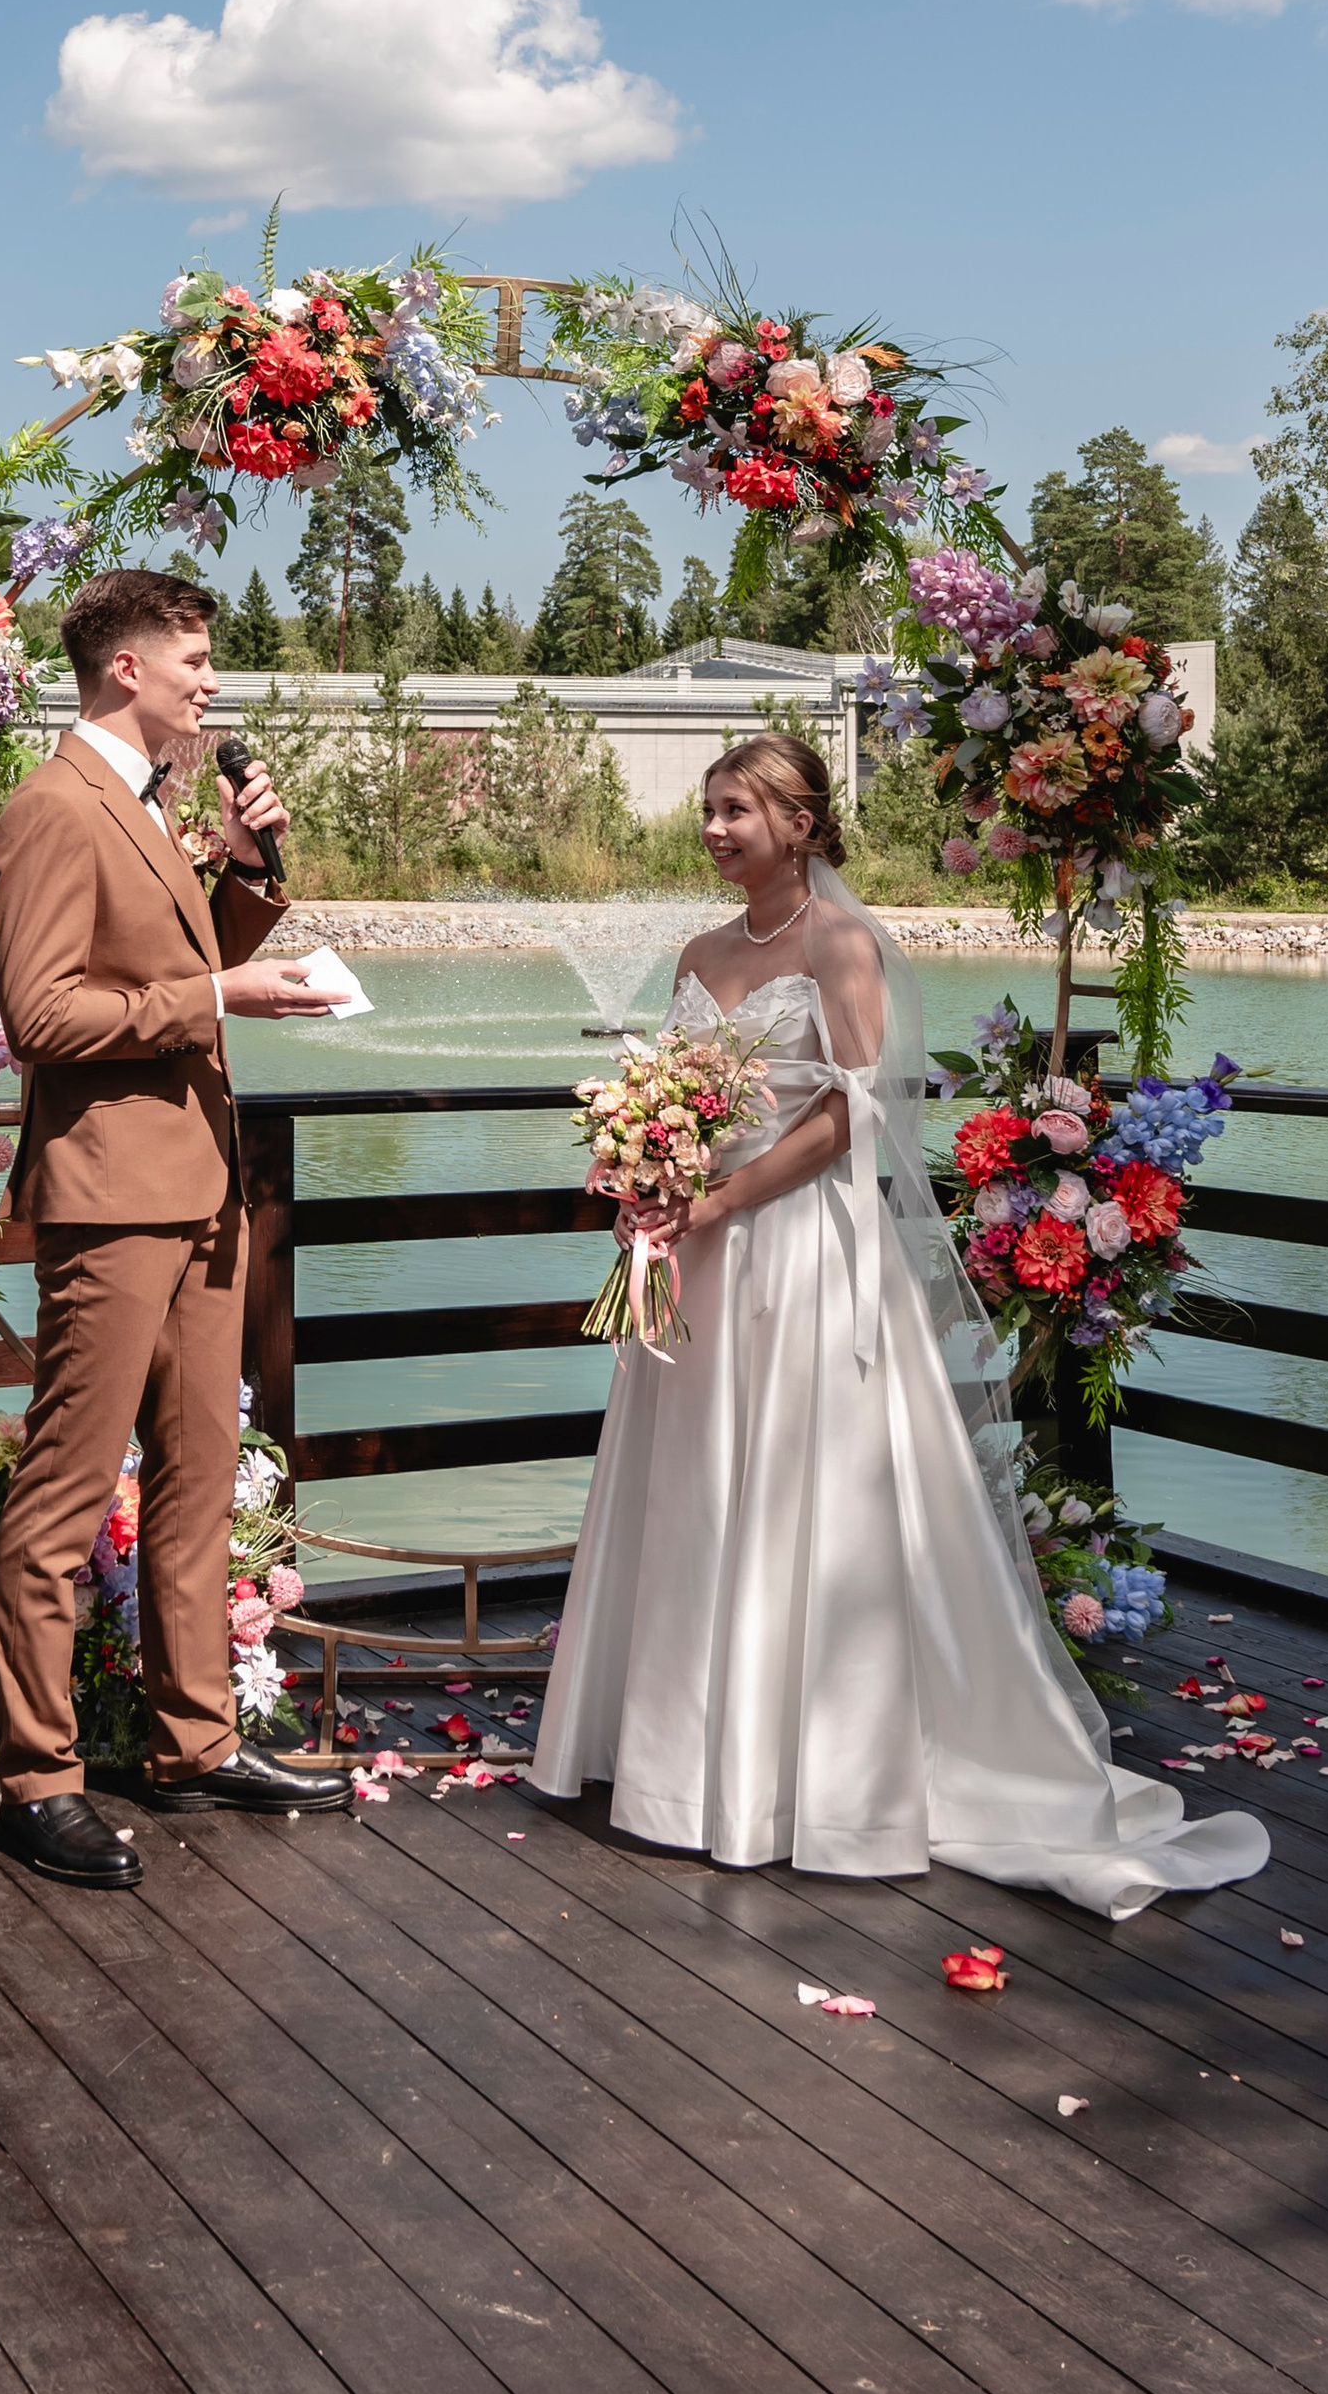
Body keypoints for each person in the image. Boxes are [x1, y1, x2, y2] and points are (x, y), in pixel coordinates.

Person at [529, 730, 1268, 1916]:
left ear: (800, 821)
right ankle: (677, 1757)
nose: (713, 828)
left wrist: (717, 1197)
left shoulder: (841, 943)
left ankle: (808, 1778)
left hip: (799, 1248)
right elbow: (673, 1094)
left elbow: (849, 1120)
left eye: (735, 808)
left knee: (796, 1483)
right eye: (708, 808)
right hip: (698, 1253)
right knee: (695, 1479)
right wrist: (646, 1174)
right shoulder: (699, 951)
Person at [0, 564, 350, 1886]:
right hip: (108, 1198)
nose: (211, 680)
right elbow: (41, 1015)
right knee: (66, 1491)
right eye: (194, 657)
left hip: (202, 1188)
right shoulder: (52, 805)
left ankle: (194, 1745)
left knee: (197, 1480)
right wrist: (218, 996)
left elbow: (182, 960)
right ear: (125, 667)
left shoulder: (151, 802)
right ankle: (39, 1778)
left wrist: (246, 872)